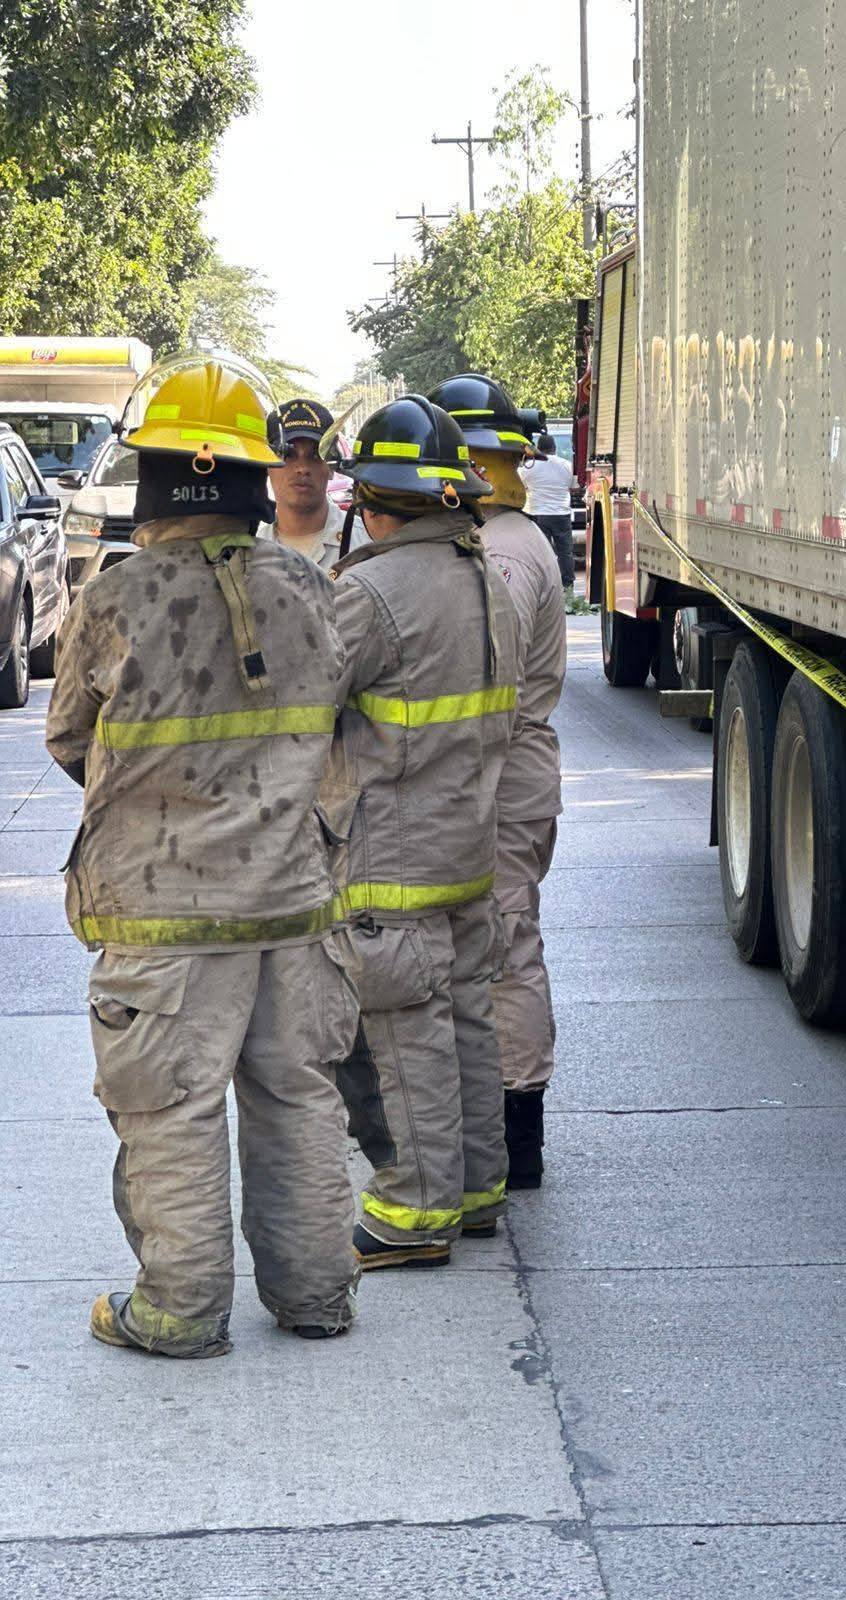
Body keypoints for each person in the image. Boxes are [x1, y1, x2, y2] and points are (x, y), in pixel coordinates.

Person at [45, 354, 360, 1359]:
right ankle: (316, 1297)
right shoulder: (312, 590)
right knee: (298, 1094)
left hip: (160, 911)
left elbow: (67, 738)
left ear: (154, 478)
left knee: (170, 1105)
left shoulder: (114, 599)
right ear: (250, 477)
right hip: (294, 906)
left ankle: (179, 1311)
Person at [328, 396, 520, 1268]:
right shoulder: (492, 580)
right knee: (469, 1021)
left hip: (390, 860)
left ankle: (414, 1212)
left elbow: (303, 707)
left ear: (370, 498)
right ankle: (478, 1191)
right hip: (466, 848)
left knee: (408, 1037)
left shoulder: (368, 592)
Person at [430, 373, 566, 1188]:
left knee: (507, 942)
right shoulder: (497, 539)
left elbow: (486, 680)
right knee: (492, 940)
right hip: (498, 766)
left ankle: (519, 1132)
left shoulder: (502, 553)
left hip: (500, 767)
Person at [262, 398, 363, 572]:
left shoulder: (364, 544)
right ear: (267, 465)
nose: (302, 468)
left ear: (331, 466)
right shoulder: (249, 552)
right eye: (288, 454)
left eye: (315, 455)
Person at [518, 431, 576, 597]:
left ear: (538, 448)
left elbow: (523, 485)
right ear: (555, 448)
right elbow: (572, 485)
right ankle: (567, 585)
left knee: (542, 551)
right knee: (565, 552)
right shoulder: (566, 465)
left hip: (538, 513)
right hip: (561, 514)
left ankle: (544, 584)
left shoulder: (529, 466)